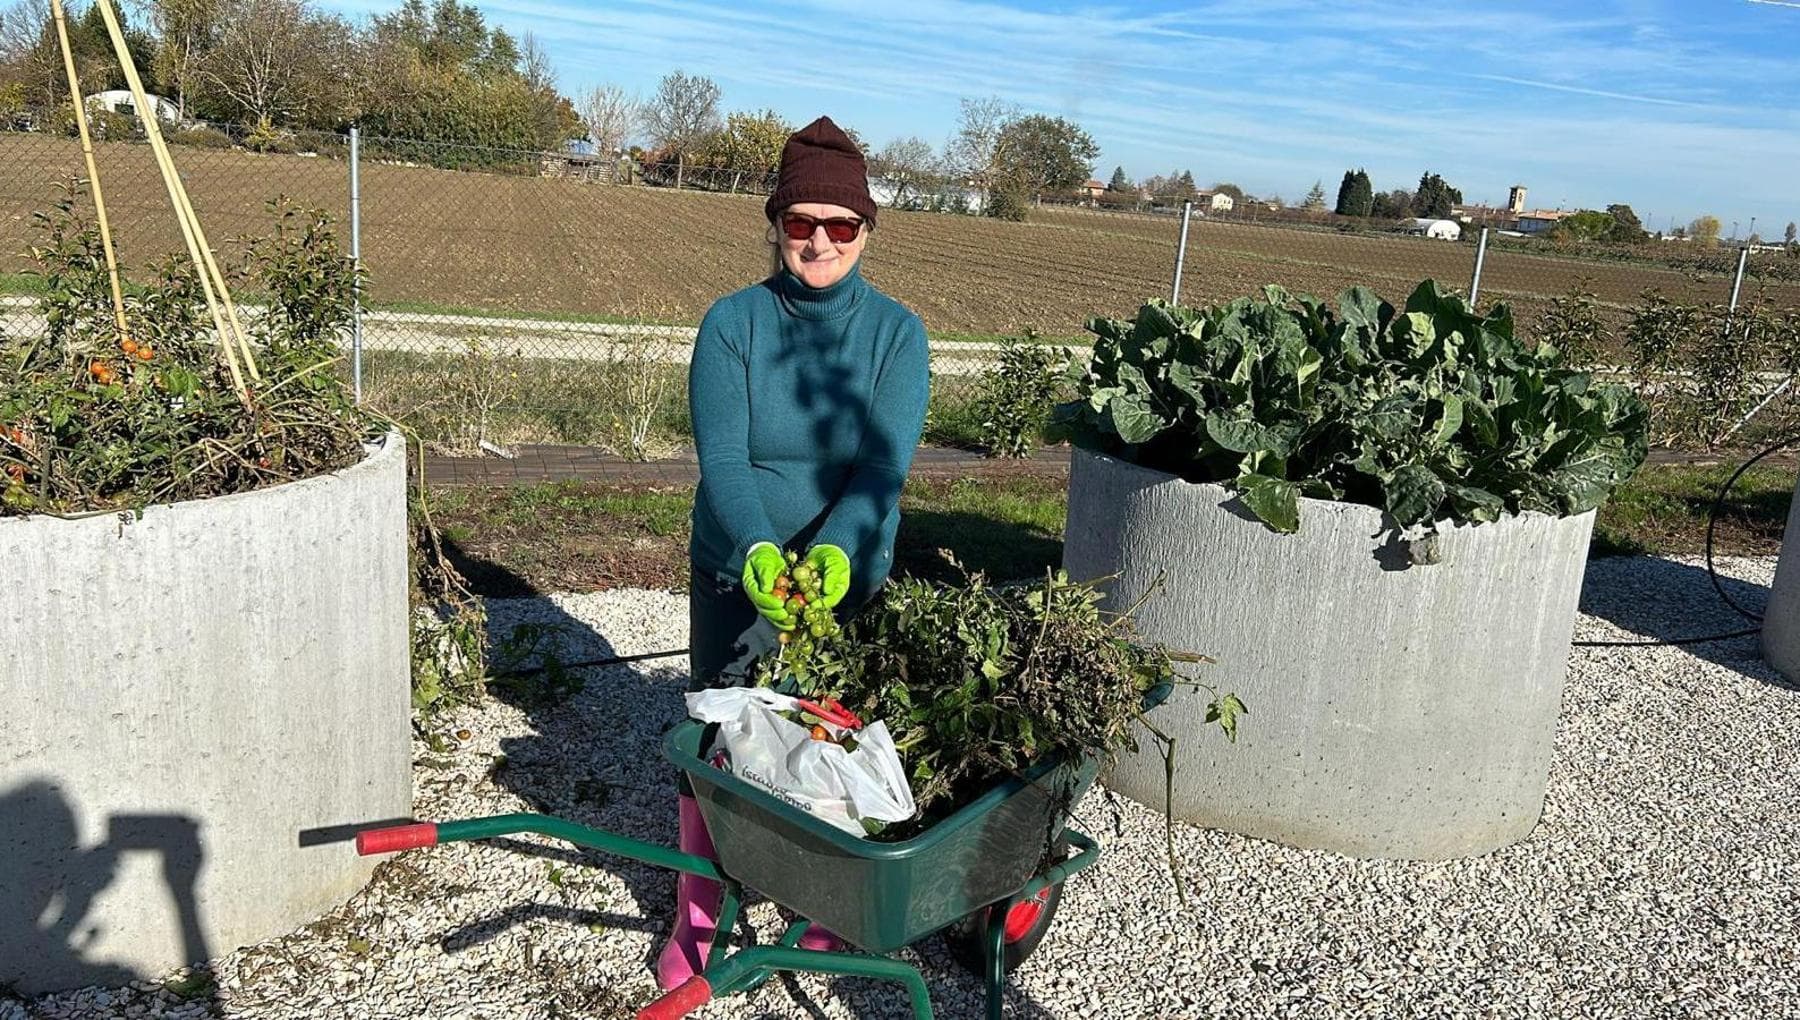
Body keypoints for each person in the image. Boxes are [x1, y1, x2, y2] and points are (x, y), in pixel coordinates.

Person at [656, 116, 931, 989]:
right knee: (723, 734)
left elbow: (883, 466)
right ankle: (698, 907)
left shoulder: (897, 335)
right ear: (774, 225)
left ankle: (817, 902)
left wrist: (843, 554)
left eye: (840, 225)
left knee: (826, 733)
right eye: (802, 222)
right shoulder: (733, 323)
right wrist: (760, 554)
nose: (819, 241)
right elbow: (725, 459)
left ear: (866, 231)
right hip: (739, 564)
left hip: (847, 577)